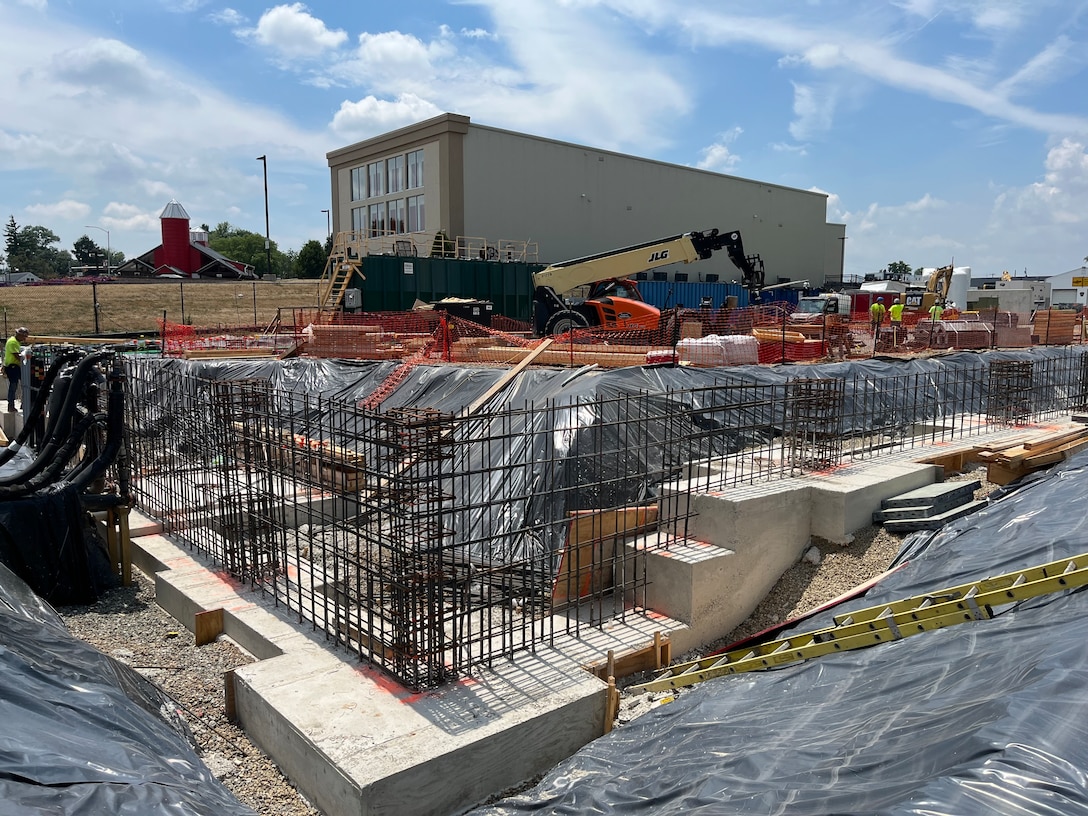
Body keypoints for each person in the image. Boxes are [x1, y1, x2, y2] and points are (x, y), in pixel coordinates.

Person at [4, 326, 29, 412]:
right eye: (24, 336)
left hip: (14, 367)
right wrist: (27, 358)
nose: (24, 339)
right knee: (14, 386)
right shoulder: (13, 342)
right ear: (19, 335)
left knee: (24, 384)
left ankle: (23, 403)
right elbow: (17, 356)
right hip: (13, 367)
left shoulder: (15, 341)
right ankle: (11, 405)